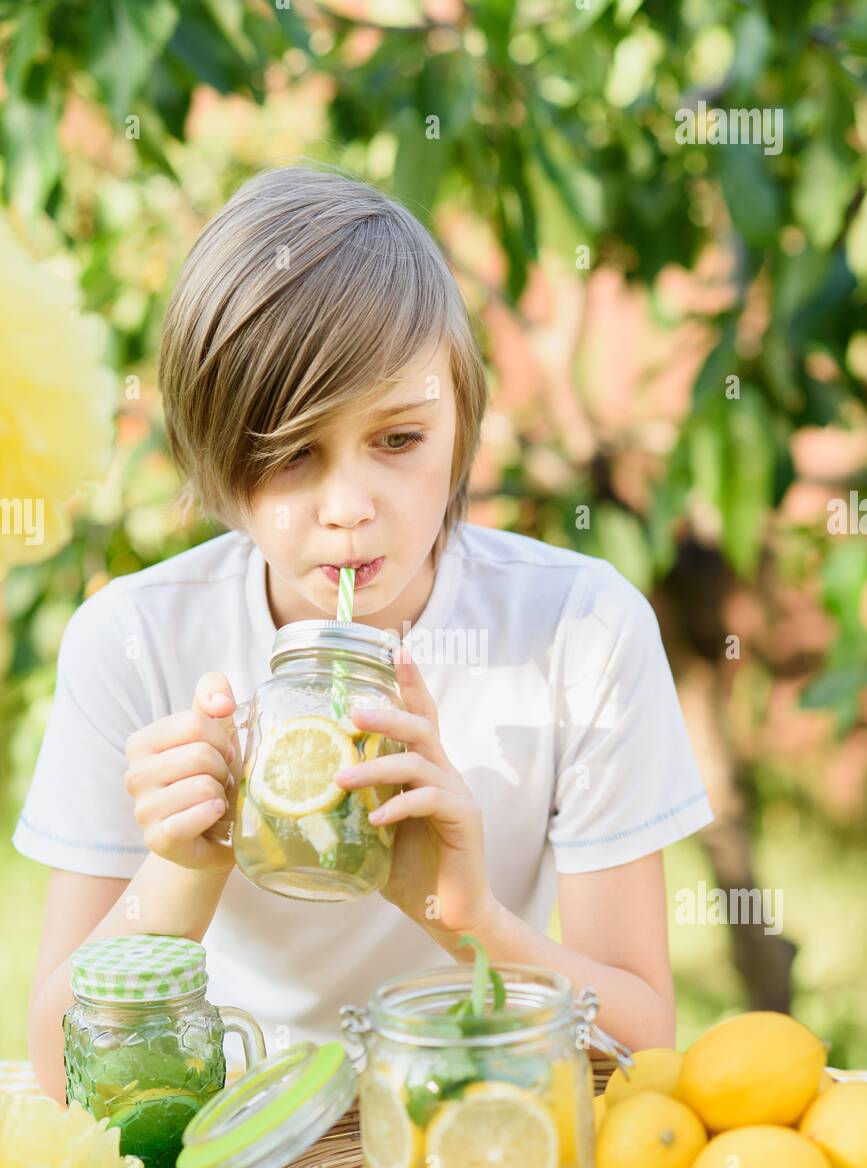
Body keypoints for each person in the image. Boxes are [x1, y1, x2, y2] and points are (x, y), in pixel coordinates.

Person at [16, 166, 713, 1101]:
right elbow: (60, 1075)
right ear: (219, 458)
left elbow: (640, 1055)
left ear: (461, 418)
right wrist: (179, 872)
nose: (348, 509)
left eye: (398, 441)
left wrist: (462, 915)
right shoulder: (133, 640)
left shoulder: (577, 629)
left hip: (477, 1131)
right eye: (291, 454)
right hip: (233, 1148)